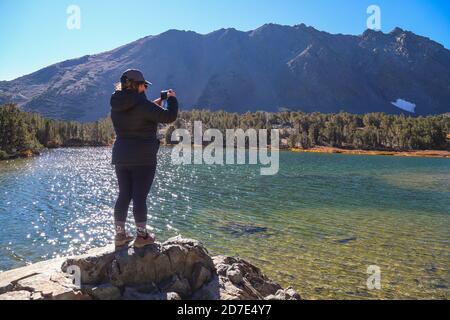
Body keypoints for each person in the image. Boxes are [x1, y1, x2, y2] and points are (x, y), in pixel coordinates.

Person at [110, 69, 178, 248]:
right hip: (143, 158)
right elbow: (169, 116)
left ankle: (120, 236)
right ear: (137, 85)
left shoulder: (117, 103)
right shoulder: (143, 105)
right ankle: (141, 237)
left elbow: (140, 111)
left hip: (121, 157)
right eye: (144, 85)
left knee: (124, 195)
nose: (146, 89)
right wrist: (171, 98)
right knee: (139, 196)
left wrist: (158, 101)